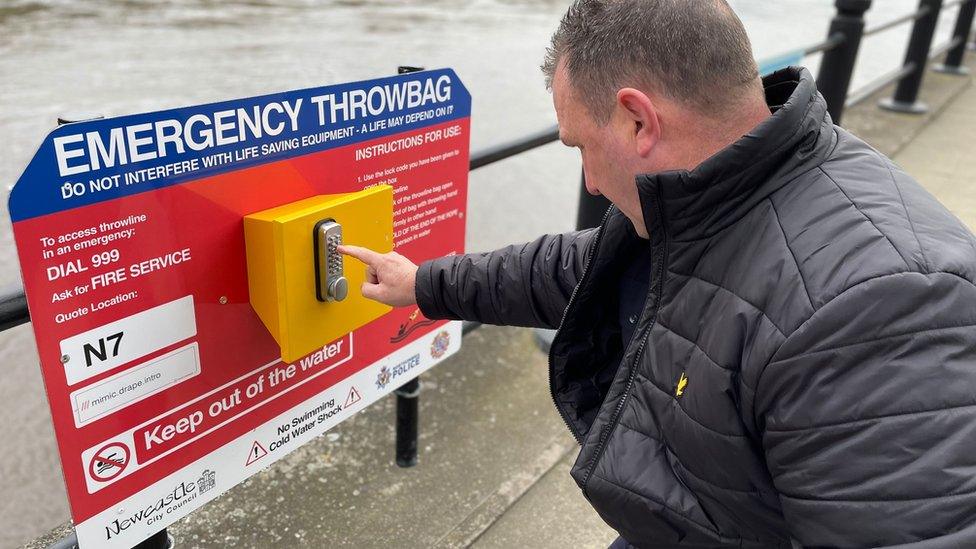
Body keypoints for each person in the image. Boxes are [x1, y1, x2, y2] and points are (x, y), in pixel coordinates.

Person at [341, 0, 976, 546]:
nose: (589, 179)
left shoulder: (880, 311)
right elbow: (573, 268)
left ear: (639, 120)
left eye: (582, 145)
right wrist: (422, 284)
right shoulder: (720, 191)